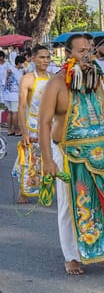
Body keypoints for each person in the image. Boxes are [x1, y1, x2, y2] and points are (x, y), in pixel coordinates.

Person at [39, 33, 104, 275]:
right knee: (72, 207)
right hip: (70, 155)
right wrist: (47, 160)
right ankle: (71, 257)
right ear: (69, 53)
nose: (87, 55)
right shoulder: (57, 83)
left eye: (89, 50)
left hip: (100, 153)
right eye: (81, 50)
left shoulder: (95, 80)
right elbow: (44, 123)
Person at [14, 45, 51, 204]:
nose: (46, 60)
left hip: (50, 126)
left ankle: (46, 191)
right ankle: (24, 193)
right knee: (30, 161)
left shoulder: (53, 78)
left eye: (48, 57)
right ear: (33, 59)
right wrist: (24, 132)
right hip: (33, 125)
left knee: (48, 160)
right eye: (42, 57)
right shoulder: (27, 79)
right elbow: (21, 106)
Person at [4, 55, 25, 136]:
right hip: (14, 95)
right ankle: (17, 130)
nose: (23, 65)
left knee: (10, 112)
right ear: (19, 63)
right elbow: (21, 83)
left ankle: (9, 130)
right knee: (15, 112)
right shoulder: (17, 72)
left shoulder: (10, 69)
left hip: (7, 94)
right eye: (22, 63)